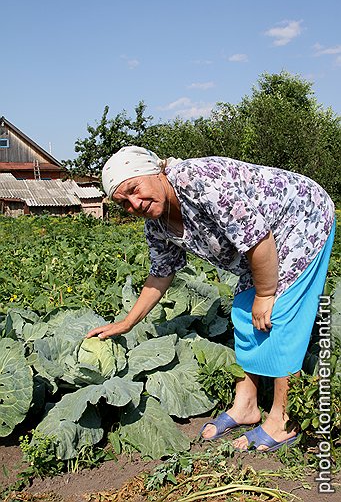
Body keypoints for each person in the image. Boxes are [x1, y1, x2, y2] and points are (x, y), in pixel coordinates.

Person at [87, 145, 335, 452]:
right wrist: (126, 322)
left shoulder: (198, 180)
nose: (134, 203)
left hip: (299, 217)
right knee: (245, 314)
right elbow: (160, 275)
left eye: (134, 190)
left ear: (153, 171)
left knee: (280, 312)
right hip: (258, 245)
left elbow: (258, 237)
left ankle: (283, 419)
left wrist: (266, 293)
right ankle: (246, 405)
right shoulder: (157, 224)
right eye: (123, 202)